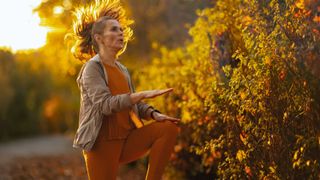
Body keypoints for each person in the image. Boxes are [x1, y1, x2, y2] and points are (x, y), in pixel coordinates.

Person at [69, 0, 180, 179]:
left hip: (127, 140)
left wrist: (153, 114)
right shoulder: (92, 68)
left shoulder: (122, 70)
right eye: (114, 29)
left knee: (168, 128)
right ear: (99, 38)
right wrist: (141, 95)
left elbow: (132, 104)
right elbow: (105, 105)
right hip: (101, 144)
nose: (121, 33)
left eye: (121, 29)